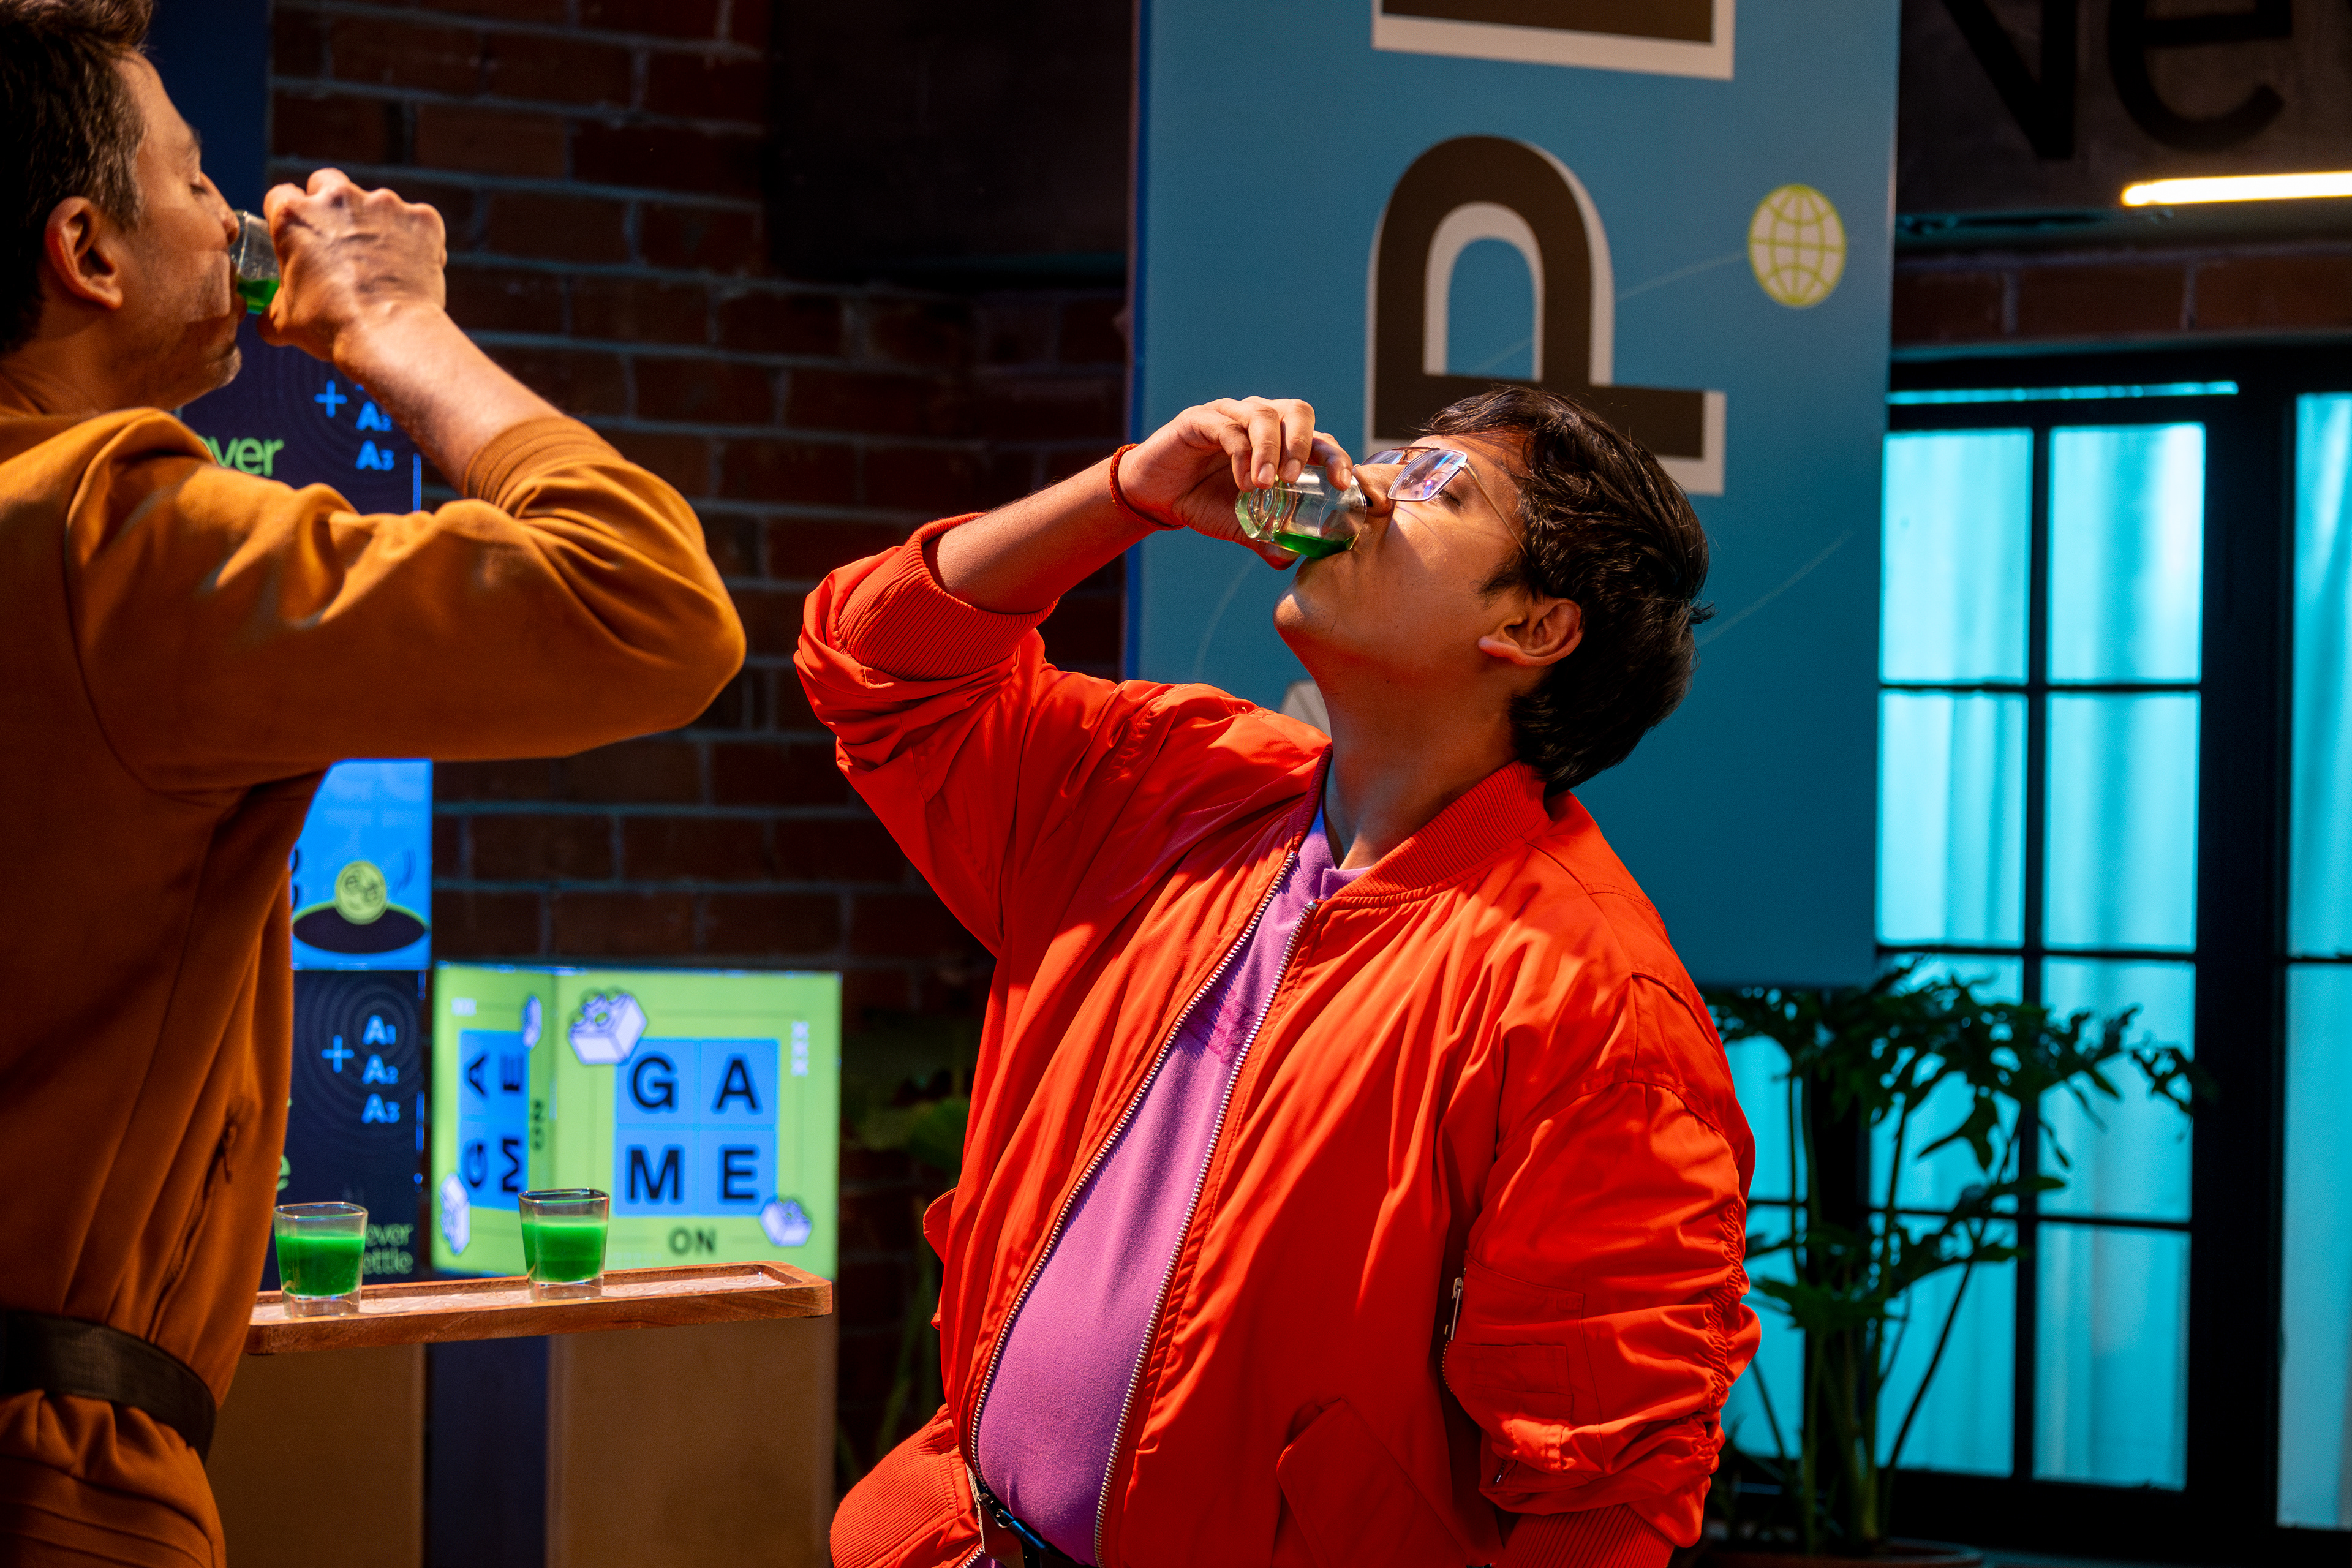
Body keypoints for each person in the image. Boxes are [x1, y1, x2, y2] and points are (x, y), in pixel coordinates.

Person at [0, 2, 743, 1561]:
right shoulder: (102, 536)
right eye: (195, 180)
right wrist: (396, 322)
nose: (235, 215)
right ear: (87, 250)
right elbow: (647, 606)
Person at [802, 389, 1758, 1568]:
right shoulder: (1179, 779)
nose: (1365, 486)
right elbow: (880, 660)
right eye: (1393, 458)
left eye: (1437, 486)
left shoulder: (1589, 999)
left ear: (1532, 628)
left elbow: (1605, 1492)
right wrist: (1126, 494)